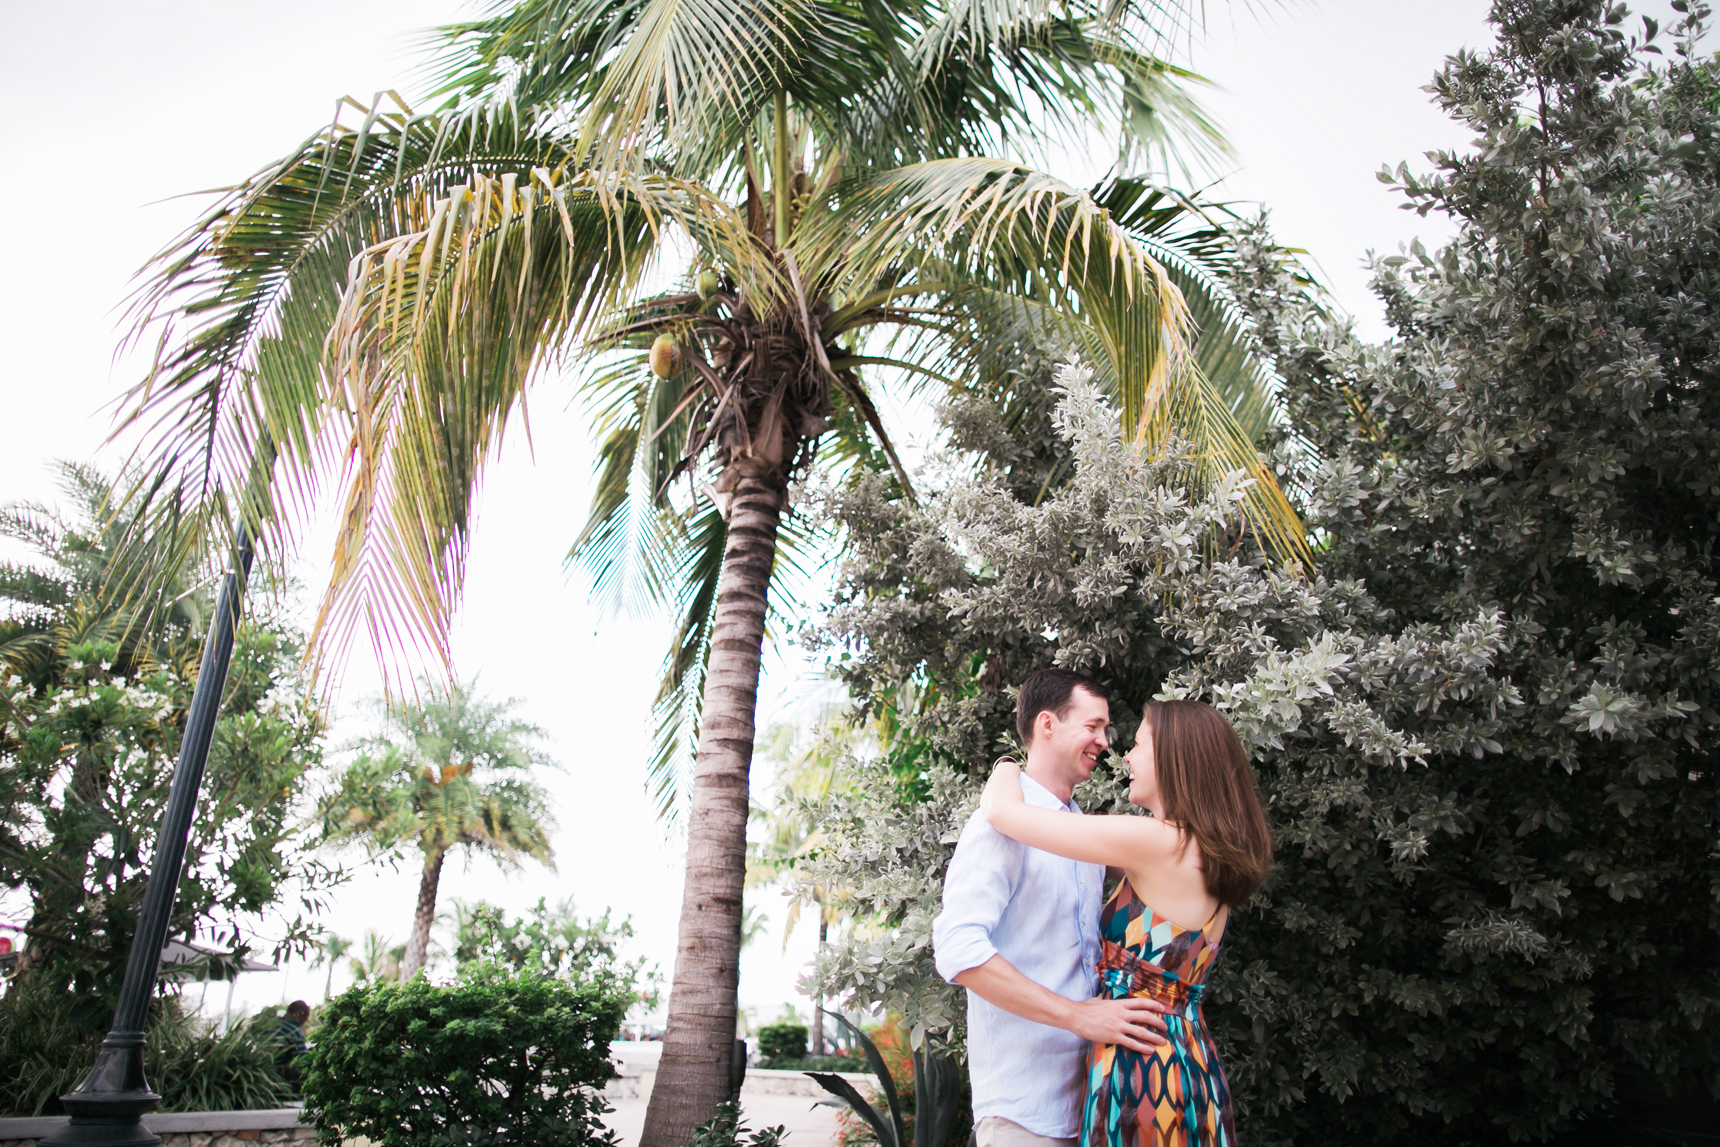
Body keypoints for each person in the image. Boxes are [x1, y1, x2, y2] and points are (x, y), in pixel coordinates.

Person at [980, 699, 1273, 1147]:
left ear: (1175, 760)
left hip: (1143, 1073)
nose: (1127, 758)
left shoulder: (1157, 843)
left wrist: (1007, 765)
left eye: (1137, 745)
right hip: (1182, 1058)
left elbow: (1005, 815)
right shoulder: (1202, 853)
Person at [933, 669, 1170, 1147]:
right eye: (1093, 726)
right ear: (1047, 724)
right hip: (1023, 1109)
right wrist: (1078, 1016)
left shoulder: (1080, 831)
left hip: (1091, 1105)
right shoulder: (995, 826)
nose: (1104, 741)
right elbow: (958, 949)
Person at [273, 999, 311, 1086]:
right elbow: (302, 1060)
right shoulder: (294, 1031)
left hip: (263, 1075)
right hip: (279, 1079)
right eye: (306, 1018)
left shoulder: (273, 1024)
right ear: (301, 1014)